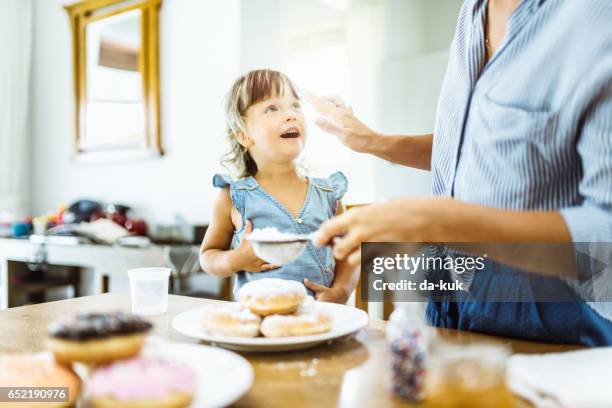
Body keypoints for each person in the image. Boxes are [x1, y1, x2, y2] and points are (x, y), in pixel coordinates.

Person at [308, 0, 612, 345]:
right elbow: (478, 149)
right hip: (450, 290)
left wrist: (439, 221)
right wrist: (373, 142)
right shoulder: (470, 13)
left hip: (553, 319)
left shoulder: (597, 17)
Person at [200, 69, 358, 303]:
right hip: (260, 326)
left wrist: (341, 291)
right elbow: (208, 256)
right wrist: (235, 260)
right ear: (243, 135)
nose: (291, 115)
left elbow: (350, 252)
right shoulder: (233, 196)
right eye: (272, 108)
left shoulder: (328, 195)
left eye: (295, 106)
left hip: (321, 321)